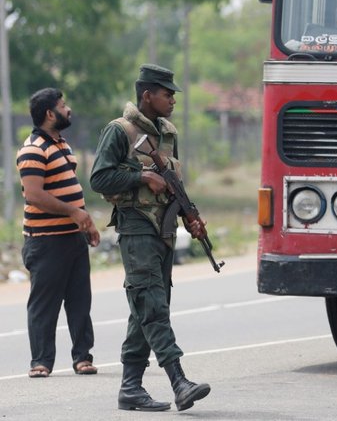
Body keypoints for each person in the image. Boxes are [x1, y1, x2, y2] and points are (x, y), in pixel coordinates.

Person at [90, 64, 210, 412]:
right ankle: (178, 381)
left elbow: (174, 181)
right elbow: (99, 178)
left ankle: (130, 388)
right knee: (153, 307)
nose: (172, 99)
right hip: (137, 227)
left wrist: (191, 216)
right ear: (147, 95)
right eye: (166, 93)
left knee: (146, 309)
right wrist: (141, 176)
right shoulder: (119, 131)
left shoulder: (168, 133)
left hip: (165, 231)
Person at [17, 88, 101, 379]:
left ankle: (83, 357)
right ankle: (40, 361)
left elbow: (69, 190)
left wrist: (85, 223)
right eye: (63, 106)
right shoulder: (32, 149)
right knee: (45, 303)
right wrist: (73, 213)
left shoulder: (61, 144)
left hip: (72, 238)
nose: (69, 110)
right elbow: (35, 195)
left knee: (80, 299)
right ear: (50, 113)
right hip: (45, 241)